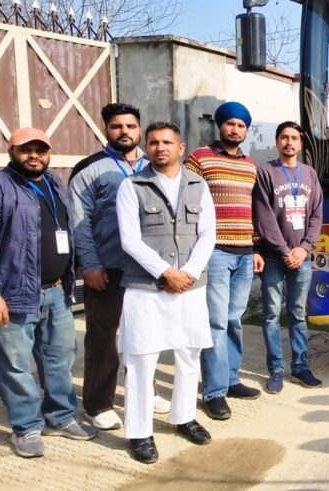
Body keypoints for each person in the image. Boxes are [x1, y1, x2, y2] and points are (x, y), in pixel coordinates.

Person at [0, 128, 99, 458]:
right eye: (25, 149)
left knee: (60, 359)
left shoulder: (54, 184)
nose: (34, 155)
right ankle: (26, 426)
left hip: (57, 291)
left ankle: (60, 416)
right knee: (15, 365)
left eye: (40, 149)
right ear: (11, 151)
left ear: (48, 153)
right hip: (12, 295)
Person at [117, 122, 216, 464]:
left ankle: (184, 417)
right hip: (146, 287)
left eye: (167, 142)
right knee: (141, 357)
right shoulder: (132, 186)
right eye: (154, 142)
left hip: (190, 285)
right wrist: (166, 272)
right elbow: (130, 240)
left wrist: (188, 273)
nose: (160, 147)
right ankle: (139, 431)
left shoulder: (198, 184)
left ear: (180, 147)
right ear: (147, 147)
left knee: (189, 354)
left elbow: (208, 234)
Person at [69, 103, 171, 430]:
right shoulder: (90, 169)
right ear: (106, 130)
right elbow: (80, 223)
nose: (124, 131)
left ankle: (145, 391)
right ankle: (98, 403)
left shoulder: (154, 166)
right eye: (116, 126)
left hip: (149, 269)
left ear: (139, 129)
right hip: (108, 268)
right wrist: (90, 264)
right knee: (103, 336)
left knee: (146, 334)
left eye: (130, 126)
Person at [185, 101, 263, 420]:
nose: (235, 129)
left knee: (234, 319)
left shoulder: (250, 165)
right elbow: (186, 201)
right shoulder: (199, 158)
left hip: (245, 252)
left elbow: (253, 209)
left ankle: (231, 379)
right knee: (215, 322)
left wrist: (256, 248)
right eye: (230, 123)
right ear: (220, 126)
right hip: (214, 252)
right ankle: (214, 392)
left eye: (241, 125)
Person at [253, 122, 325, 393]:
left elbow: (316, 214)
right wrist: (284, 251)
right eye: (284, 137)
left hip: (301, 257)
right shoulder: (265, 172)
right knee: (271, 314)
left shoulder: (309, 173)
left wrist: (305, 248)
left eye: (294, 138)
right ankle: (276, 370)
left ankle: (301, 366)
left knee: (298, 312)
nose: (289, 142)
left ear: (301, 143)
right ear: (277, 141)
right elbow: (264, 217)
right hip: (274, 257)